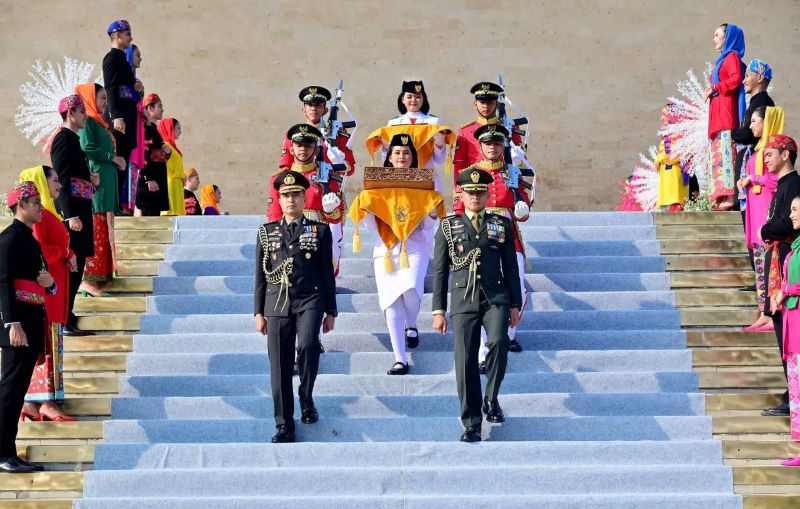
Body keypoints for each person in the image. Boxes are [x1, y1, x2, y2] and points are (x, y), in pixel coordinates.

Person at [431, 168, 522, 442]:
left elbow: (511, 268)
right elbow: (440, 272)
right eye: (470, 192)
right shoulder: (449, 226)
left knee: (498, 342)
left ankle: (491, 398)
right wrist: (438, 310)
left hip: (496, 296)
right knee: (465, 360)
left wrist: (516, 303)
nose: (475, 196)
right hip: (463, 299)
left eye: (480, 192)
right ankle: (471, 422)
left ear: (487, 194)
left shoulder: (501, 223)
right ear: (460, 194)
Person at [348, 134, 445, 375]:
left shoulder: (424, 185)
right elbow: (371, 226)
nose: (401, 156)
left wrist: (431, 214)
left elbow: (428, 224)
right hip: (387, 249)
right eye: (397, 153)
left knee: (411, 290)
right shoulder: (379, 187)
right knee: (391, 303)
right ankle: (400, 358)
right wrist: (367, 208)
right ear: (389, 158)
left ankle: (411, 325)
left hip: (414, 246)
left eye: (406, 153)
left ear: (413, 158)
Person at [254, 170, 337, 443]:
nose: (291, 200)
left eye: (296, 195)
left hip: (310, 299)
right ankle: (284, 424)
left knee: (309, 345)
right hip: (277, 302)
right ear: (278, 200)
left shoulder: (319, 230)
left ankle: (306, 393)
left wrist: (331, 310)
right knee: (278, 366)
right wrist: (258, 311)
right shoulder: (267, 233)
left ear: (304, 198)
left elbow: (327, 271)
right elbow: (260, 274)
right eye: (285, 196)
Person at [452, 124, 530, 362]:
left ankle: (508, 333)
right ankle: (484, 348)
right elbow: (458, 206)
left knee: (518, 286)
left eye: (497, 144)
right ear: (481, 146)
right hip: (479, 232)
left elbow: (524, 209)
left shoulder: (512, 172)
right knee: (481, 288)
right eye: (488, 144)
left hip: (508, 233)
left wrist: (522, 209)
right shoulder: (471, 173)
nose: (493, 148)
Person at [0, 181, 56, 472]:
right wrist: (12, 324)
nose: (40, 206)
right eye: (35, 201)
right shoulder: (8, 239)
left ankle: (8, 451)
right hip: (18, 327)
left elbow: (43, 277)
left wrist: (51, 283)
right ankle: (2, 453)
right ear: (20, 205)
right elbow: (3, 283)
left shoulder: (30, 240)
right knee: (9, 390)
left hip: (32, 321)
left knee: (17, 390)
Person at [18, 167, 75, 422]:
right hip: (47, 293)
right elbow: (40, 249)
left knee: (49, 343)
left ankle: (31, 402)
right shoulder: (43, 219)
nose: (59, 184)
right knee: (48, 345)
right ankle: (46, 401)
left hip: (54, 290)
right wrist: (67, 254)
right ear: (42, 182)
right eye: (55, 179)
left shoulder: (50, 213)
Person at [267, 125, 344, 273]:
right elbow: (274, 214)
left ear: (316, 149)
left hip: (318, 230)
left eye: (308, 145)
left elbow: (337, 217)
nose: (303, 149)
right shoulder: (279, 178)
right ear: (291, 149)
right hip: (289, 229)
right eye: (299, 145)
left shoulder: (328, 176)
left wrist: (330, 211)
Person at [760, 135, 800, 417]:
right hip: (778, 262)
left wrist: (766, 230)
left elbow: (785, 223)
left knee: (788, 335)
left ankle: (793, 395)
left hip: (787, 264)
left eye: (771, 153)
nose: (766, 158)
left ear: (786, 154)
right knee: (781, 333)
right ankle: (791, 392)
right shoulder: (783, 185)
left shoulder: (794, 184)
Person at [50, 94, 96, 336]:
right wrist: (69, 214)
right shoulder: (62, 139)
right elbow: (63, 178)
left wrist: (91, 181)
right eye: (81, 112)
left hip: (82, 208)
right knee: (73, 264)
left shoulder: (73, 140)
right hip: (74, 214)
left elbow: (77, 177)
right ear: (71, 113)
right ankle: (64, 317)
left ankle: (68, 312)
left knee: (80, 264)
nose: (84, 116)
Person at [75, 83, 125, 296]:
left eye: (106, 98)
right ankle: (87, 280)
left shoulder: (99, 123)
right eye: (102, 98)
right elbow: (86, 148)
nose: (106, 103)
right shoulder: (88, 123)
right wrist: (112, 157)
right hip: (97, 186)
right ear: (90, 98)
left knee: (103, 230)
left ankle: (101, 277)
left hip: (106, 186)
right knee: (95, 230)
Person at [739, 107, 785, 332]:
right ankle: (763, 312)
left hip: (765, 214)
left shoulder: (771, 151)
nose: (751, 126)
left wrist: (752, 178)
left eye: (755, 122)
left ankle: (769, 312)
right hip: (754, 213)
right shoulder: (758, 150)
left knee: (768, 266)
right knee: (759, 266)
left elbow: (774, 181)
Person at [705, 23, 746, 210]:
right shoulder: (722, 59)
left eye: (717, 35)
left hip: (726, 116)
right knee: (719, 155)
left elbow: (736, 79)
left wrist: (715, 88)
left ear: (728, 37)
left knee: (726, 154)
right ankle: (721, 196)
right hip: (718, 116)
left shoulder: (732, 57)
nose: (714, 39)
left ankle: (730, 197)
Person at [279, 86, 355, 177]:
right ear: (303, 110)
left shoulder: (337, 133)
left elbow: (350, 169)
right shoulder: (292, 135)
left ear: (325, 110)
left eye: (318, 105)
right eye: (310, 105)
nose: (313, 108)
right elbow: (286, 167)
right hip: (300, 185)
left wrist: (339, 161)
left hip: (329, 183)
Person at [774, 196, 800, 466]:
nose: (790, 215)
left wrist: (785, 291)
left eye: (795, 210)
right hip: (793, 324)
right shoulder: (795, 246)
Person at [453, 81, 526, 175]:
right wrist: (459, 188)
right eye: (482, 102)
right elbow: (460, 162)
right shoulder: (464, 131)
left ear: (497, 105)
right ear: (475, 104)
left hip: (503, 181)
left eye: (490, 103)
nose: (486, 106)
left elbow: (521, 163)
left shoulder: (510, 127)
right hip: (475, 183)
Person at [103, 20, 138, 205]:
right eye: (127, 34)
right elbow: (111, 87)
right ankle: (113, 205)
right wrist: (116, 116)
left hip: (127, 118)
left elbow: (127, 91)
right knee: (119, 163)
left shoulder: (122, 59)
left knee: (124, 162)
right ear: (118, 35)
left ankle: (116, 204)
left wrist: (137, 89)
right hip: (120, 120)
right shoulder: (112, 58)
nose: (130, 38)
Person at [733, 59, 775, 207]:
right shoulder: (756, 101)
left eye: (748, 75)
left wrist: (731, 133)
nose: (744, 81)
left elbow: (749, 134)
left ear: (760, 78)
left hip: (755, 159)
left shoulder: (762, 101)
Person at [135, 93, 170, 216]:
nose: (162, 109)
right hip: (149, 184)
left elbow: (162, 154)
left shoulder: (154, 129)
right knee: (147, 225)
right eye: (159, 106)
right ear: (150, 108)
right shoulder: (145, 128)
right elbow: (142, 153)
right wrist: (148, 178)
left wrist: (167, 152)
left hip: (157, 181)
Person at [123, 44, 145, 215]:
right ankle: (125, 205)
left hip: (136, 130)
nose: (140, 59)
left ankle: (130, 205)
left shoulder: (134, 81)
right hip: (127, 130)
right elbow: (123, 99)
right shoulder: (124, 80)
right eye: (137, 55)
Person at [656, 104, 689, 211]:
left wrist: (658, 159)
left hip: (674, 180)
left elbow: (674, 155)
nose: (662, 117)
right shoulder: (671, 133)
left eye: (664, 114)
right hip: (668, 181)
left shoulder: (679, 133)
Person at [158, 118, 186, 216]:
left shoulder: (172, 147)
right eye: (178, 128)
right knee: (171, 215)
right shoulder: (166, 147)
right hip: (171, 185)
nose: (180, 131)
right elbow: (167, 169)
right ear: (170, 129)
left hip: (177, 186)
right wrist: (182, 175)